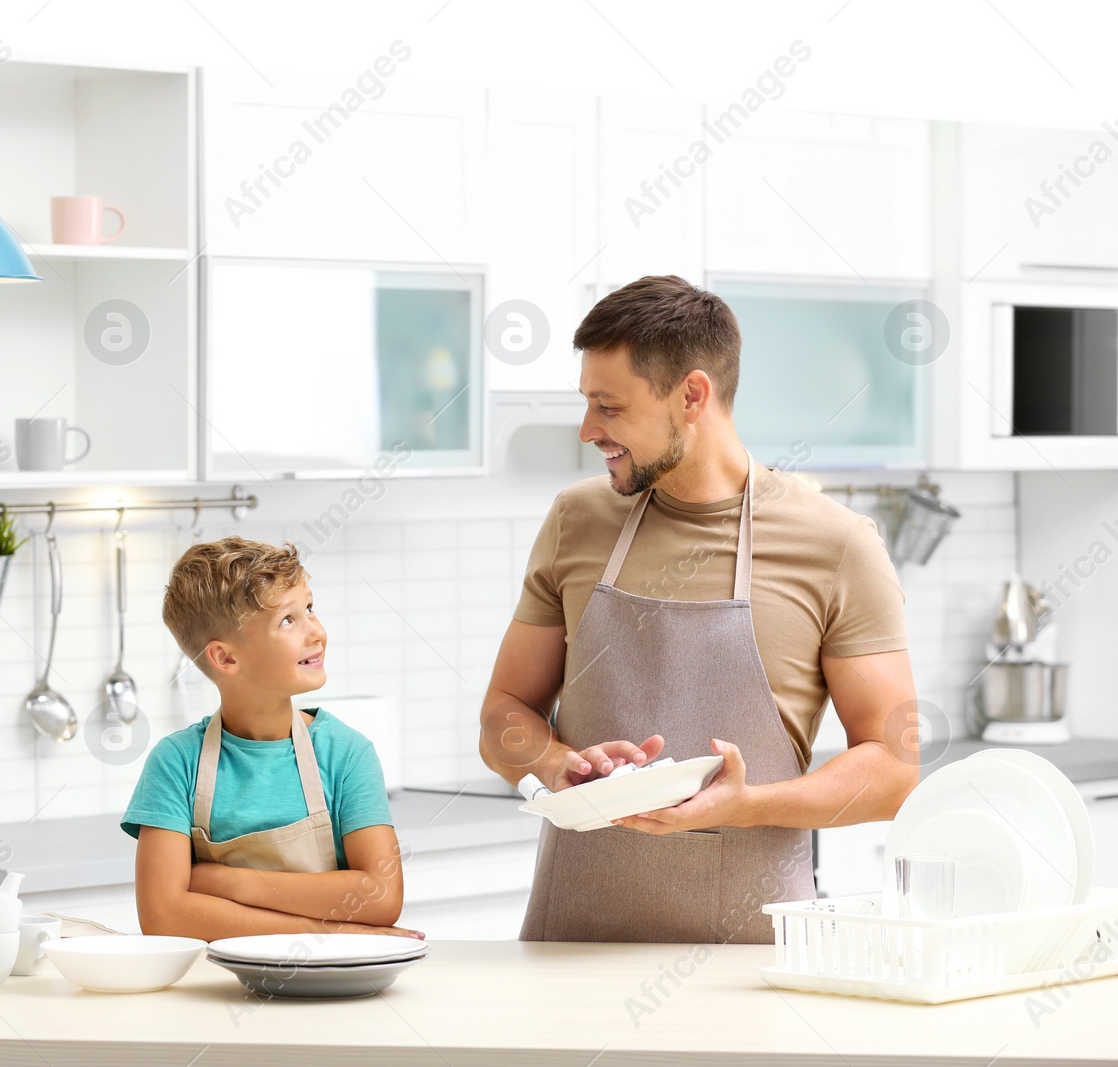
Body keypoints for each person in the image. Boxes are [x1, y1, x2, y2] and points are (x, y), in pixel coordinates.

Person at [480, 275, 919, 944]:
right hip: (567, 950)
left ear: (691, 395)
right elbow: (501, 715)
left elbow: (893, 767)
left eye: (609, 405)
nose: (588, 429)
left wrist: (752, 805)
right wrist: (554, 762)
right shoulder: (578, 519)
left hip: (749, 962)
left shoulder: (836, 544)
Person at [124, 536, 422, 941]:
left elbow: (381, 897)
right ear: (225, 658)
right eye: (288, 620)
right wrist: (329, 932)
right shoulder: (176, 763)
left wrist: (232, 884)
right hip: (214, 990)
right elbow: (163, 916)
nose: (317, 632)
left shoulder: (346, 753)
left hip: (329, 986)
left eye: (310, 609)